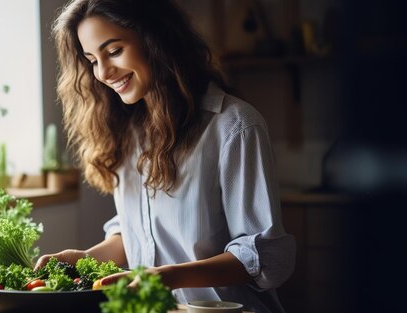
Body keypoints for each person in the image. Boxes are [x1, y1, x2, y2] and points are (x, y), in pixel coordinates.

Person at [35, 0, 295, 312]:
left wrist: (166, 278)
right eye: (92, 60)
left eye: (114, 51)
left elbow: (262, 256)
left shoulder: (234, 126)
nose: (103, 72)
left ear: (155, 40)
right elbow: (142, 239)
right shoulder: (126, 133)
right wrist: (84, 258)